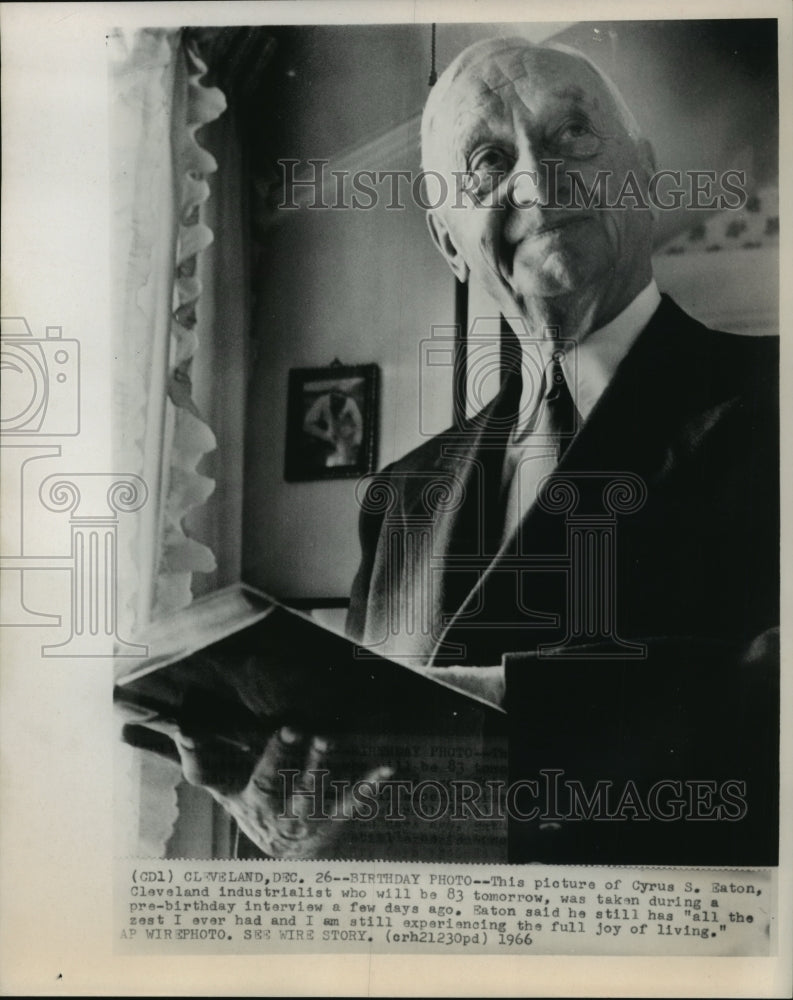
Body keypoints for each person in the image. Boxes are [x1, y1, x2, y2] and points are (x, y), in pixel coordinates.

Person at [173, 37, 779, 863]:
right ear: (449, 242)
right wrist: (287, 813)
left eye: (572, 137)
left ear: (641, 173)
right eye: (489, 160)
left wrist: (494, 724)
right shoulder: (399, 498)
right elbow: (364, 788)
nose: (536, 182)